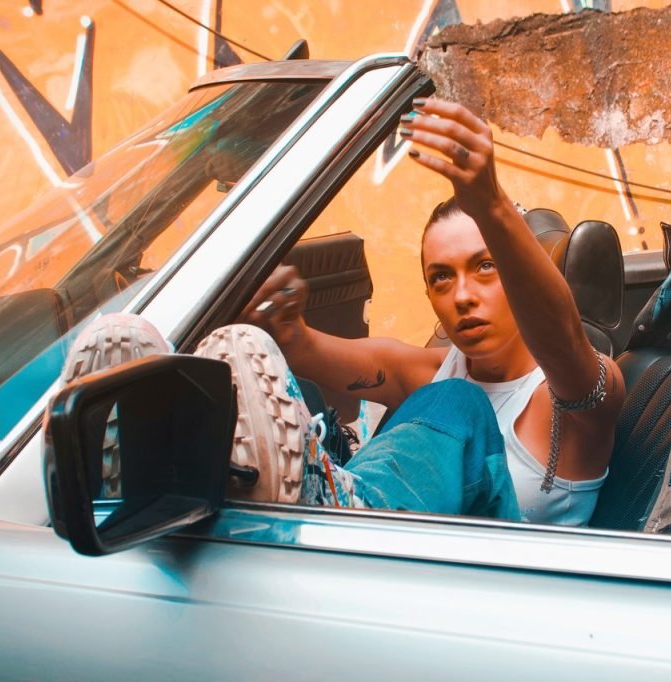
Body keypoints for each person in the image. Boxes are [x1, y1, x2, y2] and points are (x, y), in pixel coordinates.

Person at [64, 99, 623, 526]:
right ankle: (153, 472)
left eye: (485, 267)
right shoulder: (429, 370)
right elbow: (308, 350)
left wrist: (492, 206)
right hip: (395, 570)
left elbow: (562, 342)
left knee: (458, 404)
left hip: (492, 600)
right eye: (441, 277)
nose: (461, 295)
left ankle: (329, 496)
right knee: (262, 368)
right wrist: (285, 326)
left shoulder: (581, 395)